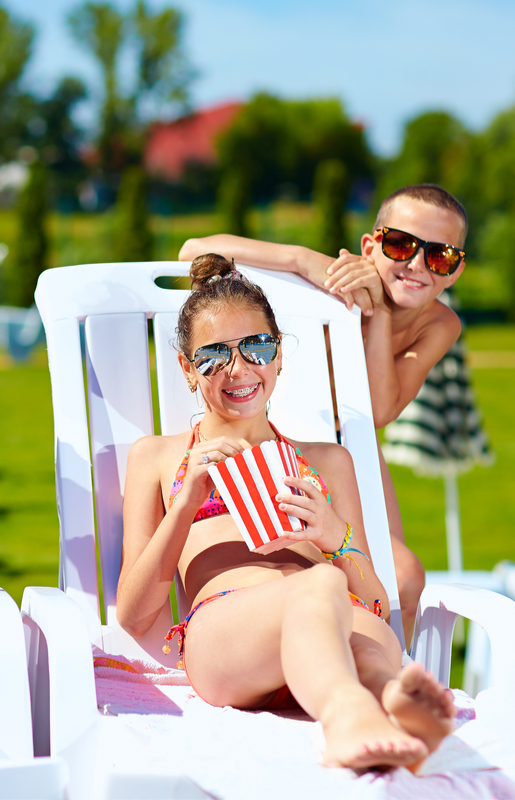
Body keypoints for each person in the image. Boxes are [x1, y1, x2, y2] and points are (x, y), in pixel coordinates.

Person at [117, 254, 454, 770]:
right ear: (187, 369)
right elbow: (133, 613)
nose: (239, 369)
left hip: (335, 628)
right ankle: (348, 717)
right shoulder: (160, 458)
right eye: (214, 355)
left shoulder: (326, 461)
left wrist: (334, 536)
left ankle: (390, 703)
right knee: (320, 589)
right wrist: (185, 505)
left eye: (256, 347)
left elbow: (378, 604)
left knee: (365, 640)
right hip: (230, 639)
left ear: (278, 357)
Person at [178, 185, 468, 645]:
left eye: (440, 257)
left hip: (355, 447)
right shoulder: (332, 278)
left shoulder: (440, 323)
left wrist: (378, 312)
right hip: (286, 441)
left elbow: (376, 410)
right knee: (300, 566)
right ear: (371, 246)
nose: (416, 265)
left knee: (406, 580)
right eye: (401, 245)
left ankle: (385, 663)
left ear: (456, 270)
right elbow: (193, 252)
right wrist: (300, 259)